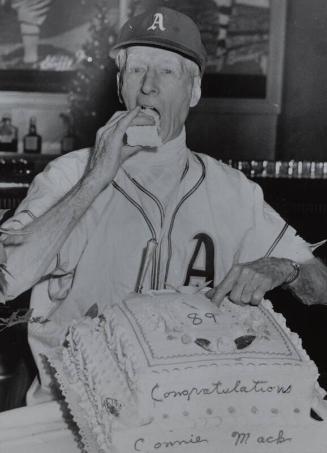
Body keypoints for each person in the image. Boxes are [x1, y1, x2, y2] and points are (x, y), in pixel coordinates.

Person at [0, 6, 327, 407]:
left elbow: (320, 286)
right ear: (121, 85)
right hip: (73, 416)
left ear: (194, 91)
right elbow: (6, 278)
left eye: (167, 71)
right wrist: (96, 178)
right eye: (136, 69)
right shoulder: (68, 176)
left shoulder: (233, 191)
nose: (148, 87)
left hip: (189, 417)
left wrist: (285, 267)